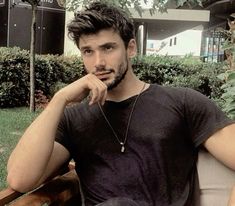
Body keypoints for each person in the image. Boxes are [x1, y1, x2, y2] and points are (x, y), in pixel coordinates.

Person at [6, 2, 235, 206]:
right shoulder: (73, 119)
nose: (99, 62)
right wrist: (59, 99)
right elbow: (20, 179)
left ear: (131, 48)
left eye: (108, 48)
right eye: (88, 51)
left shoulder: (182, 102)